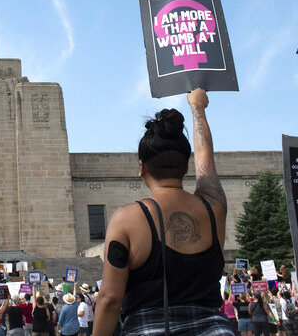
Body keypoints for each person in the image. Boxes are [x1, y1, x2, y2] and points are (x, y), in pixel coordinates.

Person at [92, 89, 233, 336]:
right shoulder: (214, 206)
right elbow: (206, 157)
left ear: (141, 167)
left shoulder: (127, 218)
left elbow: (111, 299)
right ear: (186, 165)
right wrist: (198, 109)